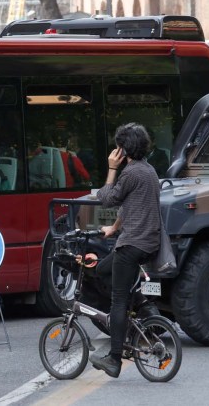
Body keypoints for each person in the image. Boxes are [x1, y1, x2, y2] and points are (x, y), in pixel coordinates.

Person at [91, 122, 161, 378]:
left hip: (133, 244)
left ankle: (114, 359)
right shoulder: (148, 170)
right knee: (101, 269)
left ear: (123, 149)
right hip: (146, 242)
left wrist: (111, 168)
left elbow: (107, 198)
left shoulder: (130, 172)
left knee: (117, 300)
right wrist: (114, 227)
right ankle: (141, 305)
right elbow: (130, 205)